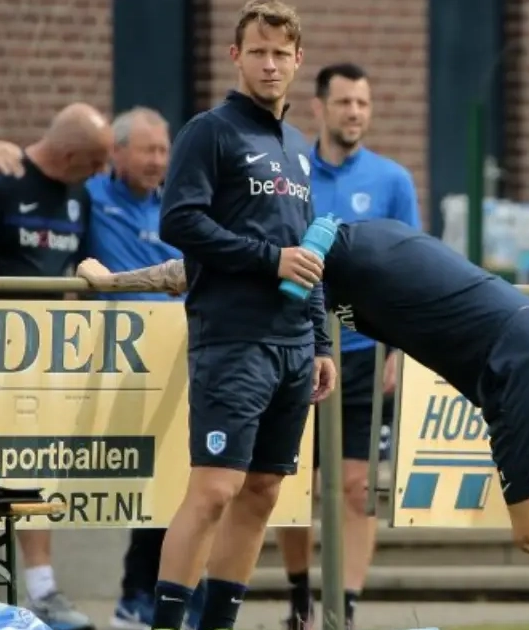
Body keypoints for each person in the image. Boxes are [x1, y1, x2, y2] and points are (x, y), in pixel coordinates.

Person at [75, 217, 529, 630]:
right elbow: (218, 271)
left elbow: (196, 271)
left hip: (521, 358)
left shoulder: (321, 249)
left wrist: (111, 281)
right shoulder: (362, 240)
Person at [0, 108, 208, 630]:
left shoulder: (175, 205)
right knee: (45, 465)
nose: (158, 161)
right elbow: (29, 177)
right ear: (115, 155)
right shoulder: (88, 196)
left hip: (176, 360)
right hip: (103, 363)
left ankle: (153, 594)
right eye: (147, 150)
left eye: (164, 150)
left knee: (172, 477)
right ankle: (104, 593)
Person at [150, 3, 337, 630]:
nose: (270, 64)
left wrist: (320, 341)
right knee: (214, 491)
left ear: (298, 60)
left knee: (263, 492)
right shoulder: (210, 132)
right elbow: (179, 221)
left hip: (293, 346)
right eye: (258, 51)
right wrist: (268, 260)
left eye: (281, 53)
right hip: (232, 339)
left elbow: (307, 250)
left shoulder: (299, 148)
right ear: (235, 57)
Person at [0, 102, 110, 630]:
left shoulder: (80, 198)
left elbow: (78, 264)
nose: (99, 172)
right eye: (94, 161)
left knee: (33, 469)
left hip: (42, 362)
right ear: (68, 154)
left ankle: (41, 589)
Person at [274, 62, 421, 630]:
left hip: (363, 353)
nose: (355, 113)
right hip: (295, 347)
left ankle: (347, 611)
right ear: (319, 107)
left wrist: (399, 347)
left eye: (363, 103)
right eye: (344, 103)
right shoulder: (292, 171)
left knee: (358, 487)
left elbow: (409, 268)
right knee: (290, 483)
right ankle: (300, 601)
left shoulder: (392, 181)